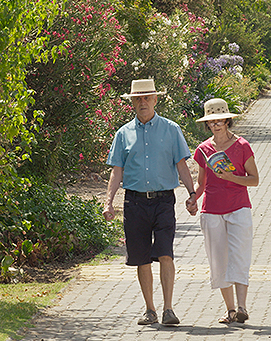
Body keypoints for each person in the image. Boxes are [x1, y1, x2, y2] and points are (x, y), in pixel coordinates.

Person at [103, 79, 198, 326]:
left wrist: (192, 193)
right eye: (137, 99)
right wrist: (108, 202)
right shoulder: (123, 133)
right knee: (141, 257)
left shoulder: (171, 129)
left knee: (165, 253)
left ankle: (168, 309)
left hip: (164, 201)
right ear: (132, 103)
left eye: (147, 98)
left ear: (156, 99)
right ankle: (150, 310)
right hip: (134, 203)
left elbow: (181, 164)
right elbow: (117, 170)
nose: (142, 102)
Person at [191, 98, 259, 324]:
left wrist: (232, 177)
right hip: (211, 210)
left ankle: (242, 307)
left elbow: (254, 179)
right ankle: (230, 310)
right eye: (212, 120)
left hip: (239, 207)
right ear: (207, 124)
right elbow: (202, 183)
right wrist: (193, 199)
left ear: (227, 120)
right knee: (218, 260)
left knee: (240, 255)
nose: (216, 124)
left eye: (220, 119)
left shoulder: (242, 146)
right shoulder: (203, 149)